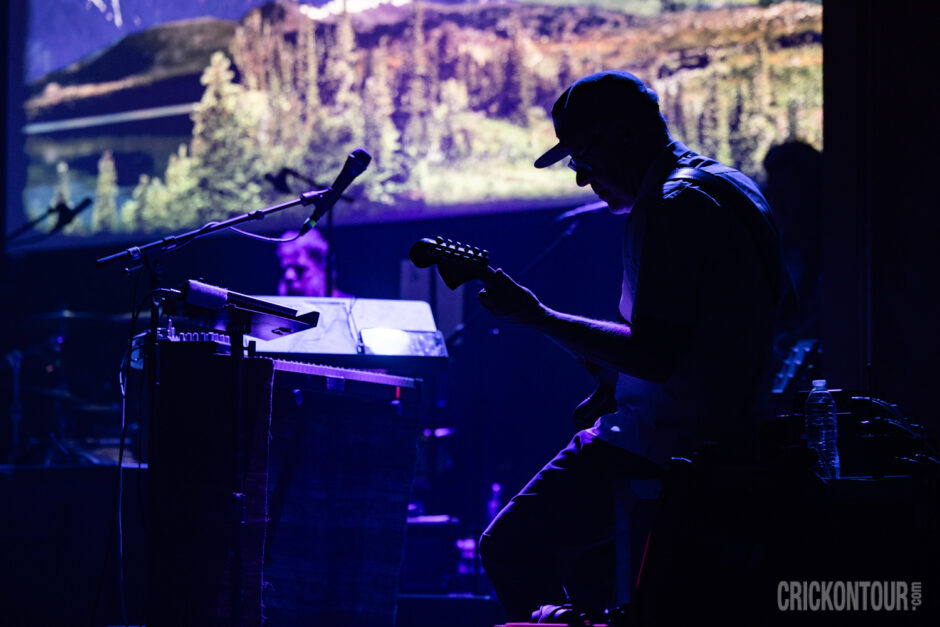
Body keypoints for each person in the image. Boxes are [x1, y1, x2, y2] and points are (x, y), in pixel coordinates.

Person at [475, 71, 783, 623]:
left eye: (583, 160)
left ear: (622, 134)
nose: (581, 181)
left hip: (666, 446)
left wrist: (538, 316)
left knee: (509, 547)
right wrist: (608, 389)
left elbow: (654, 355)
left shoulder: (668, 206)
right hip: (735, 437)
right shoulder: (732, 185)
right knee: (595, 579)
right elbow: (706, 334)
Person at [275, 228, 349, 298]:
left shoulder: (353, 307)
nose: (289, 276)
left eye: (299, 270)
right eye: (284, 270)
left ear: (322, 266)